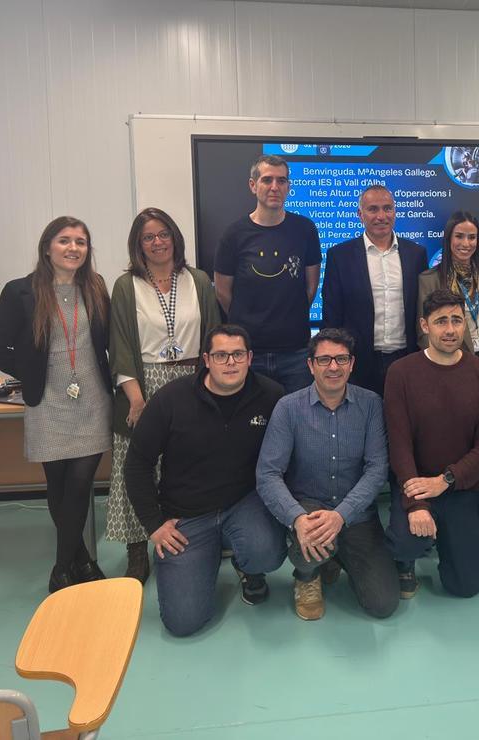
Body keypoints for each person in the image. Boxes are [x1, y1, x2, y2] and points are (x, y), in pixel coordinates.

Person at [125, 325, 286, 636]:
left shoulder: (271, 396)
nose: (230, 362)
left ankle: (248, 566)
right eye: (221, 355)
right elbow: (137, 464)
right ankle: (205, 557)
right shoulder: (171, 399)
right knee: (183, 623)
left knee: (266, 550)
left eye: (238, 354)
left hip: (243, 503)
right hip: (186, 515)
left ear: (250, 358)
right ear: (206, 360)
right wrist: (154, 525)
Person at [0, 216, 112, 594]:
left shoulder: (95, 288)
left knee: (79, 483)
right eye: (64, 240)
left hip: (92, 398)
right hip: (48, 401)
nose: (73, 248)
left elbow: (106, 343)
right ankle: (83, 560)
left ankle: (60, 569)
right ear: (47, 247)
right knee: (57, 486)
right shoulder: (19, 291)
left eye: (81, 242)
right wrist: (31, 371)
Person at [106, 207, 221, 583]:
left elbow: (213, 336)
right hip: (143, 382)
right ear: (138, 245)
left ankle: (194, 534)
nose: (158, 242)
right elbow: (120, 344)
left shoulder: (198, 280)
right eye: (148, 237)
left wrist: (211, 383)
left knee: (189, 462)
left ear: (175, 237)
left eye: (163, 234)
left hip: (191, 379)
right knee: (136, 465)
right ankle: (137, 548)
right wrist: (136, 399)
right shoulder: (126, 286)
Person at [256, 328, 397, 621]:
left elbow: (376, 469)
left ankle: (335, 556)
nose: (334, 367)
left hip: (356, 514)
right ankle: (307, 576)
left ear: (352, 364)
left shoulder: (371, 404)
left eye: (341, 359)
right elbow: (268, 473)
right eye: (324, 360)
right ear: (310, 365)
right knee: (313, 541)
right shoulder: (288, 408)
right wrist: (296, 518)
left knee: (383, 604)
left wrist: (341, 515)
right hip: (309, 509)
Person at [384, 289, 479, 599]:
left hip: (461, 487)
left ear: (465, 325)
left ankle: (457, 544)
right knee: (408, 540)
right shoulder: (401, 373)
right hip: (416, 484)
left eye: (456, 321)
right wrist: (417, 504)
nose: (450, 330)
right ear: (425, 326)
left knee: (466, 585)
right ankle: (405, 560)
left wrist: (446, 480)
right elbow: (399, 445)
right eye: (440, 322)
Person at [213, 154, 321, 394]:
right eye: (267, 180)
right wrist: (250, 320)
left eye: (282, 181)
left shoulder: (305, 229)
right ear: (253, 186)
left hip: (296, 352)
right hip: (250, 353)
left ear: (288, 187)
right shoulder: (234, 234)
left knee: (296, 425)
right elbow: (222, 291)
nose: (275, 187)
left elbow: (311, 287)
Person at [321, 185, 427, 397]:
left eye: (387, 208)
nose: (381, 216)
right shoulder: (339, 256)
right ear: (360, 214)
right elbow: (332, 315)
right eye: (373, 209)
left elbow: (423, 309)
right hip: (358, 363)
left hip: (406, 360)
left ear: (395, 212)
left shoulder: (416, 254)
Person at [417, 211, 479, 378]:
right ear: (449, 239)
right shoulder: (429, 280)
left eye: (472, 237)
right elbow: (423, 333)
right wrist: (441, 363)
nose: (466, 243)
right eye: (459, 236)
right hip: (452, 360)